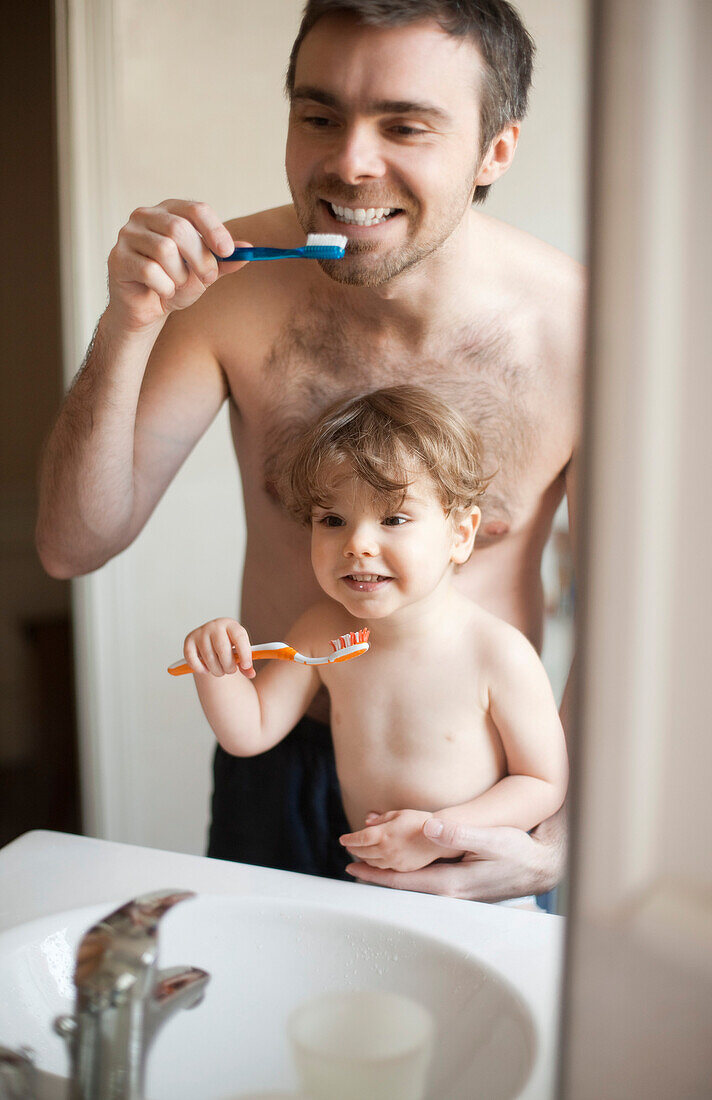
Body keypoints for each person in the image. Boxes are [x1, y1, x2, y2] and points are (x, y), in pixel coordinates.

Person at [36, 0, 584, 902]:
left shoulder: (583, 332)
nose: (349, 163)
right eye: (319, 115)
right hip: (274, 767)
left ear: (496, 150)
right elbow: (71, 545)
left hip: (481, 795)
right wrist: (128, 323)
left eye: (406, 126)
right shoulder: (227, 293)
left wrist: (552, 843)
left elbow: (634, 625)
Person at [180, 387, 568, 891]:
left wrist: (438, 835)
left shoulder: (497, 653)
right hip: (373, 880)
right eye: (333, 520)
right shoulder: (322, 630)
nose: (358, 543)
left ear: (461, 534)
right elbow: (250, 732)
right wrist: (217, 670)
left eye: (395, 519)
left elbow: (542, 784)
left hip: (476, 886)